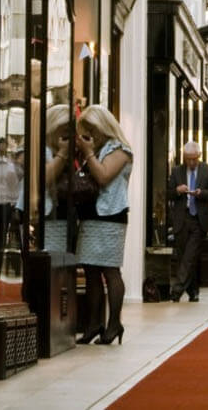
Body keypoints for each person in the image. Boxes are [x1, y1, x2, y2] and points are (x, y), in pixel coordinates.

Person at [45, 105, 134, 344]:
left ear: (102, 127)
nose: (87, 136)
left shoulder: (120, 149)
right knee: (91, 270)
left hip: (111, 216)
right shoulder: (98, 149)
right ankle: (94, 324)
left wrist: (88, 153)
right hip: (90, 216)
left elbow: (103, 177)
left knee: (110, 270)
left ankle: (114, 324)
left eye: (90, 131)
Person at [167, 141, 208, 302]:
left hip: (199, 219)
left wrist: (201, 193)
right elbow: (168, 193)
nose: (191, 162)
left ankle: (177, 289)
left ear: (199, 156)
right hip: (181, 219)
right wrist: (177, 190)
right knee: (186, 257)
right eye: (188, 159)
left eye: (194, 159)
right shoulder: (176, 171)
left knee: (190, 255)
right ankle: (193, 291)